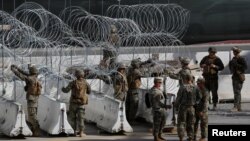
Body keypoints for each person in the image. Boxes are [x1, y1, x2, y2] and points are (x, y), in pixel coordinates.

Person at [11, 64, 42, 136]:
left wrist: (14, 70)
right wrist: (17, 68)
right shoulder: (35, 77)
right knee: (33, 114)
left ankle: (37, 131)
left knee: (32, 116)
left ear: (31, 72)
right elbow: (25, 73)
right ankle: (34, 130)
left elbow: (22, 76)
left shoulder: (30, 78)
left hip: (32, 100)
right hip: (35, 99)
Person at [62, 69, 91, 137]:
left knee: (72, 118)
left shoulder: (73, 82)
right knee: (81, 118)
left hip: (73, 103)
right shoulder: (86, 83)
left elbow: (66, 90)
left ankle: (73, 131)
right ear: (83, 75)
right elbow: (89, 92)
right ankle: (81, 132)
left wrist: (62, 88)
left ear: (76, 75)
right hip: (81, 103)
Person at [175, 73, 201, 141]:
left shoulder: (182, 87)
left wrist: (176, 107)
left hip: (183, 108)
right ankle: (190, 137)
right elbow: (199, 98)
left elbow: (178, 98)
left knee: (181, 123)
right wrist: (195, 103)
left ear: (185, 79)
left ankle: (181, 137)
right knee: (191, 124)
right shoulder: (195, 87)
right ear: (191, 79)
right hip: (192, 108)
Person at [229, 47, 247, 112]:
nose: (234, 52)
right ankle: (239, 107)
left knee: (237, 92)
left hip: (239, 77)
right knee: (237, 92)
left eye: (235, 51)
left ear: (237, 52)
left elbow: (245, 67)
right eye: (233, 51)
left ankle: (235, 107)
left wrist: (236, 64)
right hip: (234, 77)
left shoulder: (241, 59)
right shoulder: (233, 59)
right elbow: (231, 67)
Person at [126, 58, 142, 123]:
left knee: (128, 105)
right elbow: (142, 74)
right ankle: (131, 120)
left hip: (129, 89)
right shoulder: (136, 71)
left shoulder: (129, 69)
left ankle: (127, 118)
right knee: (134, 105)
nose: (139, 64)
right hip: (134, 90)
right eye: (138, 63)